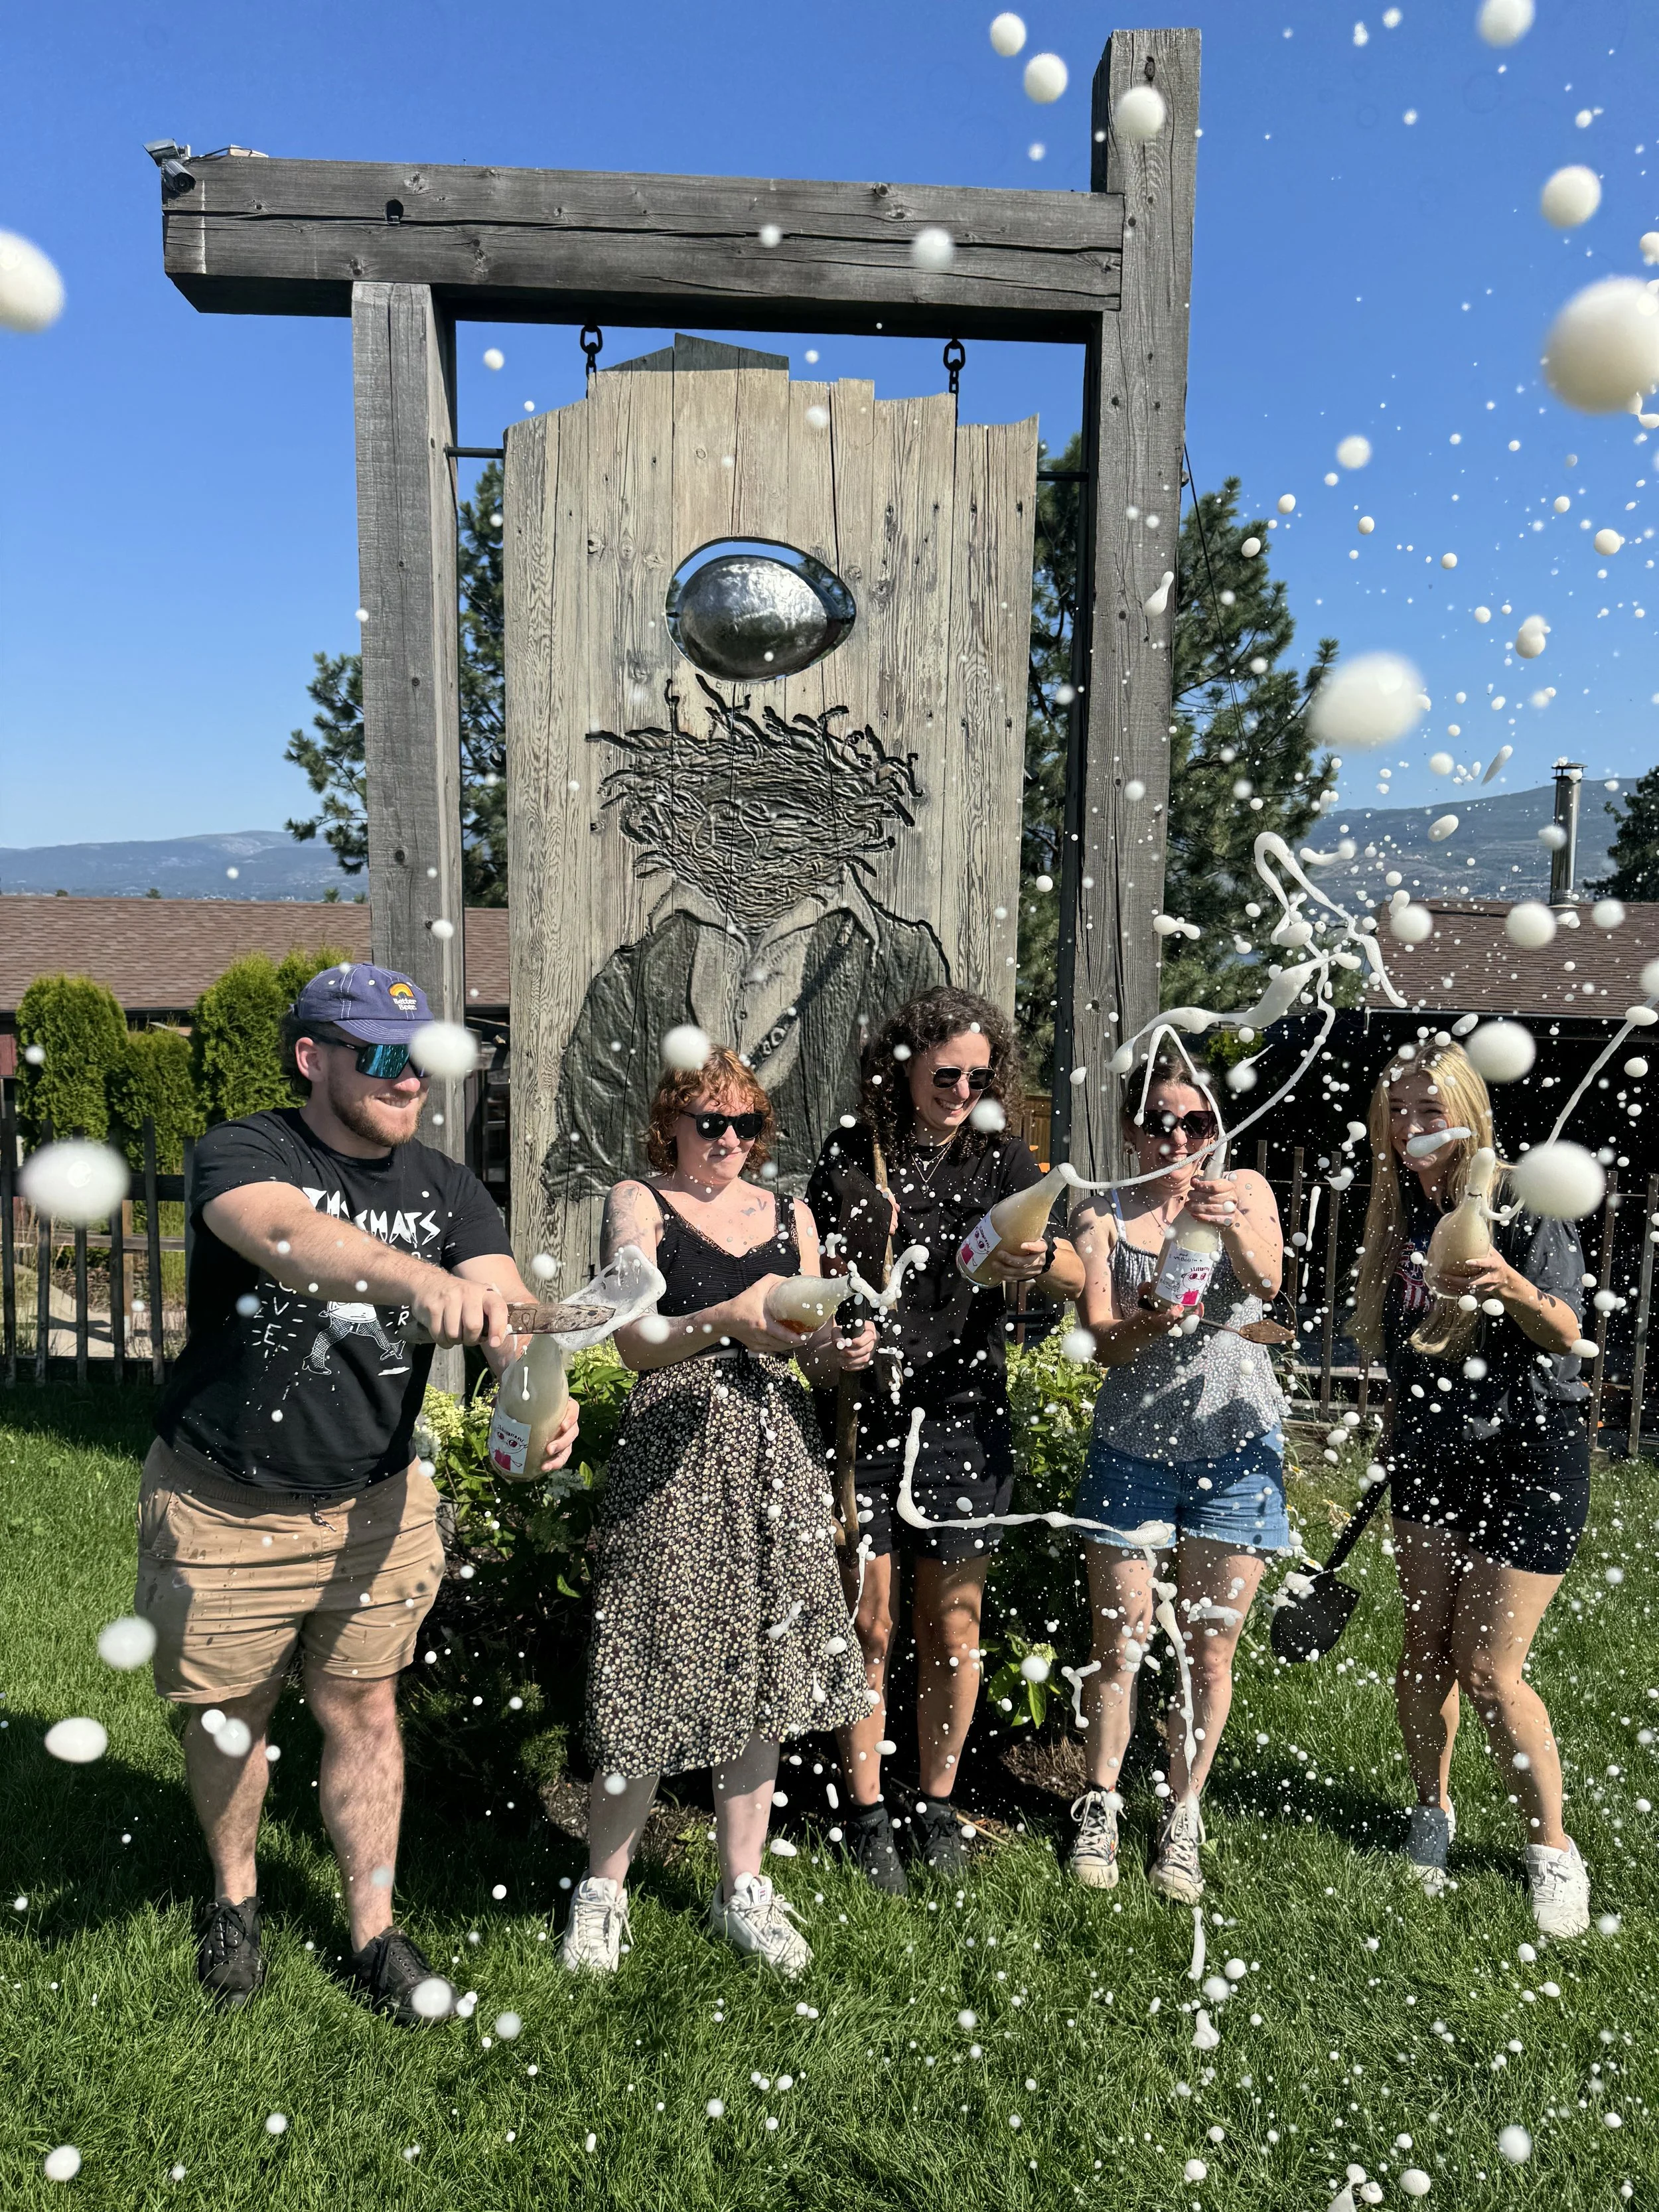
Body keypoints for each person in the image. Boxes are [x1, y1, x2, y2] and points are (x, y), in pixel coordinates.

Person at [139, 964, 579, 2018]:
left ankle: (373, 1930)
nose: (409, 1080)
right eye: (383, 1058)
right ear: (313, 1059)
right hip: (226, 1499)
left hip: (377, 1503)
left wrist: (536, 1385)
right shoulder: (245, 1151)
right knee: (228, 1717)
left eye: (420, 1059)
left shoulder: (448, 1184)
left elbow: (509, 1304)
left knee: (364, 1708)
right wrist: (422, 1282)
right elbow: (288, 1238)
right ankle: (235, 1900)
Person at [561, 1046, 873, 1978]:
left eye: (745, 1125)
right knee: (650, 1661)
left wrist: (836, 1353)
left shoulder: (794, 1216)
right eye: (710, 1123)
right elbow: (635, 1345)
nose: (728, 1140)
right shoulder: (638, 1202)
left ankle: (742, 1888)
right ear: (671, 1124)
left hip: (777, 1451)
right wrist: (723, 1320)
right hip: (676, 1452)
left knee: (765, 1664)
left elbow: (803, 1354)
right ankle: (602, 1892)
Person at [805, 987, 1085, 1893]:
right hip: (867, 1418)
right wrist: (831, 1334)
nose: (962, 1088)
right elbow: (810, 1279)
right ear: (905, 1065)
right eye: (945, 1072)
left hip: (964, 1419)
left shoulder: (1002, 1155)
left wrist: (1036, 1259)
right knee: (870, 1626)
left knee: (954, 1628)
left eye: (978, 1074)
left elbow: (1076, 1268)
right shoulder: (854, 1154)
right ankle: (865, 1810)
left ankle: (934, 1800)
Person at [1352, 1040, 1593, 1936]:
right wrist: (1395, 1431)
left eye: (1429, 1109)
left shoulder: (1519, 1200)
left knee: (1489, 1671)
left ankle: (1552, 1850)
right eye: (1399, 1112)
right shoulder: (1396, 1211)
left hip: (1531, 1454)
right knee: (1424, 1644)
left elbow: (1569, 1333)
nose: (1414, 1128)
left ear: (1466, 1111)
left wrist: (1514, 1285)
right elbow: (1406, 1351)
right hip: (1431, 1453)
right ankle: (1433, 1810)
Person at [1066, 1051, 1287, 1901]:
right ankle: (1101, 1803)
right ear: (1132, 1131)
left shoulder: (1247, 1190)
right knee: (1117, 1642)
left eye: (1196, 1122)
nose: (1180, 1137)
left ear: (1216, 1129)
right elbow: (1099, 1344)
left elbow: (1269, 1284)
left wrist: (1227, 1223)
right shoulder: (1103, 1215)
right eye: (1161, 1121)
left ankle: (1184, 1813)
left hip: (1237, 1451)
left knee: (1210, 1647)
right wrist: (1150, 1319)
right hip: (1131, 1453)